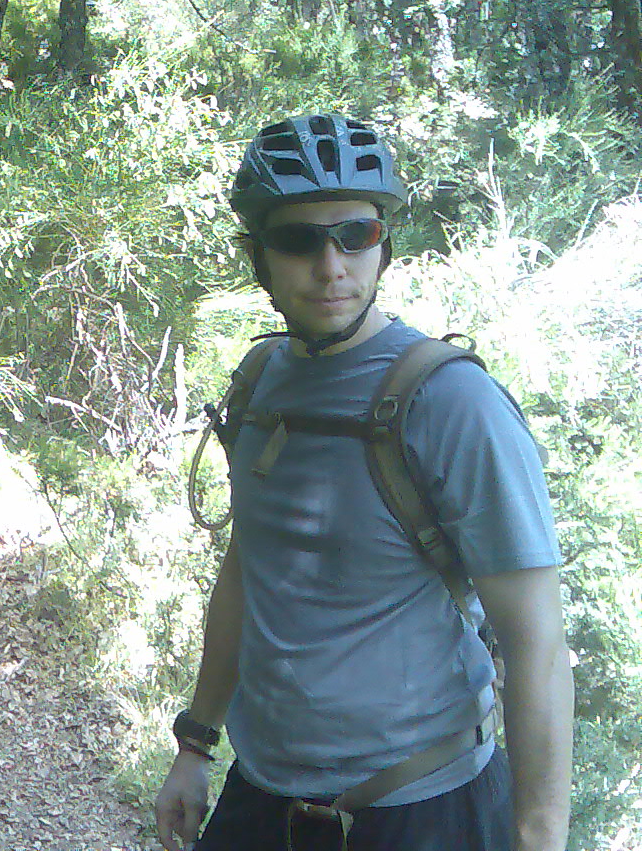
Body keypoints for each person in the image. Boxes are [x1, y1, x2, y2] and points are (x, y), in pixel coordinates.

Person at [154, 114, 573, 851]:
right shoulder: (260, 380)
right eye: (298, 240)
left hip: (425, 808)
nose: (331, 265)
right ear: (258, 257)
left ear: (385, 245)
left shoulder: (452, 404)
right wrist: (196, 744)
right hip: (262, 795)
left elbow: (535, 638)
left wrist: (539, 837)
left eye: (356, 235)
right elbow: (249, 571)